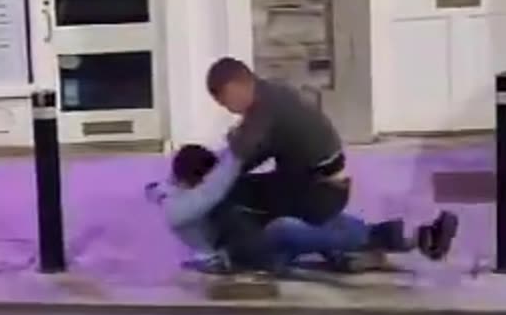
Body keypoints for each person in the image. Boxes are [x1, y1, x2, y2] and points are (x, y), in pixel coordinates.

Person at [204, 56, 456, 258]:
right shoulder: (270, 94)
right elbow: (255, 154)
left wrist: (205, 179)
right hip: (317, 182)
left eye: (225, 101)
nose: (227, 109)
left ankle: (255, 256)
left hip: (319, 189)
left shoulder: (263, 109)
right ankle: (397, 237)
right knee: (253, 196)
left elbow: (241, 155)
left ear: (236, 87)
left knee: (269, 223)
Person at [148, 144, 458, 274]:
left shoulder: (187, 189)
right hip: (239, 258)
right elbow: (204, 196)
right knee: (286, 228)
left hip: (257, 242)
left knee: (316, 218)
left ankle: (403, 242)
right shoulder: (181, 207)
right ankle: (396, 240)